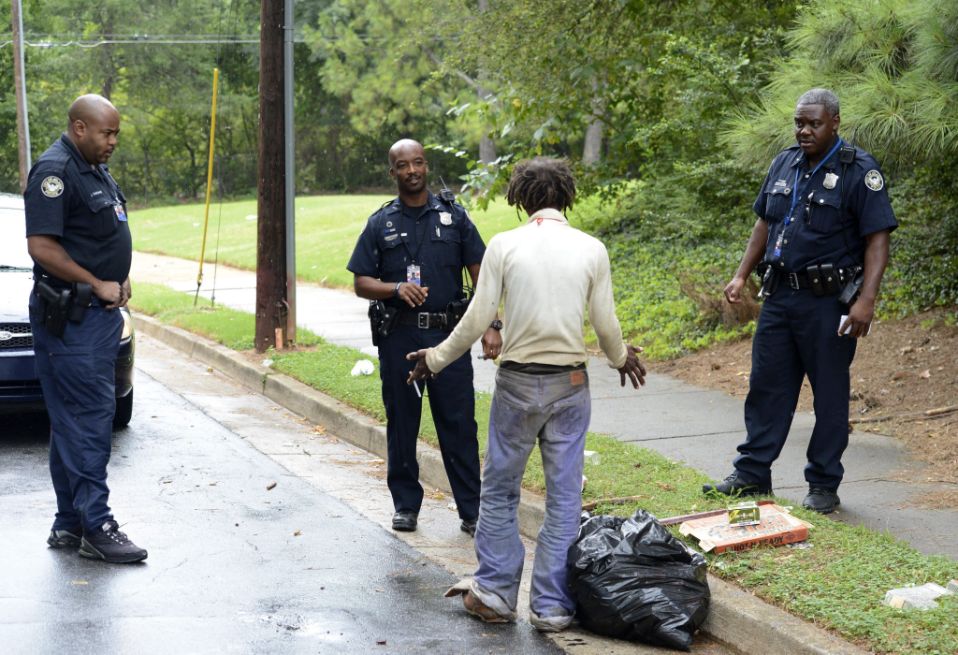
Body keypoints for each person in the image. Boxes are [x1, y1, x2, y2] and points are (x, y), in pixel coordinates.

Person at [406, 157, 646, 632]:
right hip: (570, 385)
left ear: (520, 198)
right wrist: (621, 358)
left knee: (499, 491)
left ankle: (495, 592)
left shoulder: (504, 245)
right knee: (563, 498)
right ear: (566, 196)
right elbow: (605, 323)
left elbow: (477, 319)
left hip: (516, 384)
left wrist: (434, 358)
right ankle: (552, 607)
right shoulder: (591, 248)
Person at [703, 88, 898, 514]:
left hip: (828, 303)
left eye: (813, 123)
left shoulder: (858, 170)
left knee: (829, 394)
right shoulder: (784, 162)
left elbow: (877, 238)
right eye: (799, 123)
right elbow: (764, 223)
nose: (804, 130)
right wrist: (740, 275)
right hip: (779, 296)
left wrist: (866, 300)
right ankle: (753, 472)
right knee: (766, 387)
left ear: (835, 122)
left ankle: (824, 484)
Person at [346, 139, 501, 535]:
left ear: (426, 166)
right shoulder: (380, 223)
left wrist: (489, 324)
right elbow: (362, 281)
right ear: (392, 172)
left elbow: (480, 274)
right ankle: (406, 506)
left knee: (459, 425)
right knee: (402, 424)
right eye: (403, 165)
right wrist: (395, 289)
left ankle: (471, 510)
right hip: (399, 338)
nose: (412, 170)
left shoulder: (455, 218)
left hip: (448, 337)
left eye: (418, 163)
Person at [25, 94, 147, 563]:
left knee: (71, 420)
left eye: (115, 133)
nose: (113, 141)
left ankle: (69, 522)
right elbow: (42, 246)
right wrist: (97, 281)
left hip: (94, 316)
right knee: (91, 419)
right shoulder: (54, 172)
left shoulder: (93, 169)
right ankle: (97, 525)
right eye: (106, 133)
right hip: (73, 318)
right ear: (79, 127)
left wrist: (118, 271)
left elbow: (96, 234)